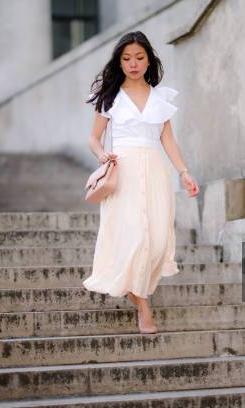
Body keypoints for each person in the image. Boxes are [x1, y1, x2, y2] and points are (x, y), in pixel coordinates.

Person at [82, 31, 199, 334]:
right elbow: (94, 139)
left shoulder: (160, 97)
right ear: (119, 62)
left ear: (149, 59)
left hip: (156, 172)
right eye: (126, 58)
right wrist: (102, 155)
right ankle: (143, 306)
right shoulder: (110, 97)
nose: (133, 64)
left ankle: (136, 289)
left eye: (139, 57)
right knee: (135, 239)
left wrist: (184, 172)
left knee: (158, 242)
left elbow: (168, 140)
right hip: (123, 172)